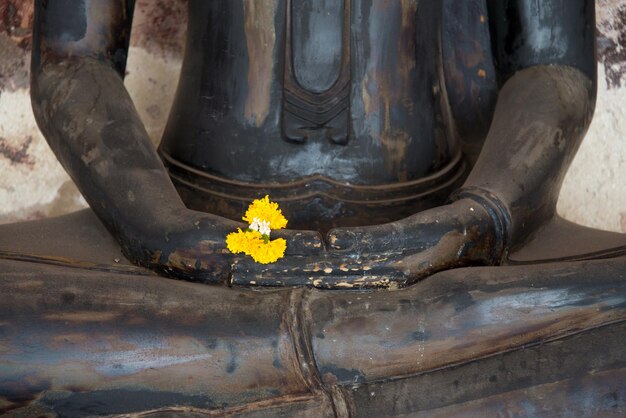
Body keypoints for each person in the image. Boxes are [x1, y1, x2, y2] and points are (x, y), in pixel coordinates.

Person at [1, 0, 625, 415]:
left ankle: (254, 370)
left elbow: (552, 69)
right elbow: (71, 61)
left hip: (446, 253)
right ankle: (387, 358)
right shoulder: (171, 234)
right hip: (180, 241)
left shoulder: (462, 234)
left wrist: (474, 223)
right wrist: (166, 232)